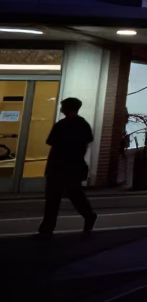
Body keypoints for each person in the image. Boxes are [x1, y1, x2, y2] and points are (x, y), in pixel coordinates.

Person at [37, 97, 97, 236]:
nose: (61, 108)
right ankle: (87, 215)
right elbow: (85, 144)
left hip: (61, 165)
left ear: (67, 108)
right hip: (73, 165)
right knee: (73, 194)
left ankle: (48, 227)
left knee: (55, 197)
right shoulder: (83, 125)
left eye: (62, 106)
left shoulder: (61, 125)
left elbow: (52, 144)